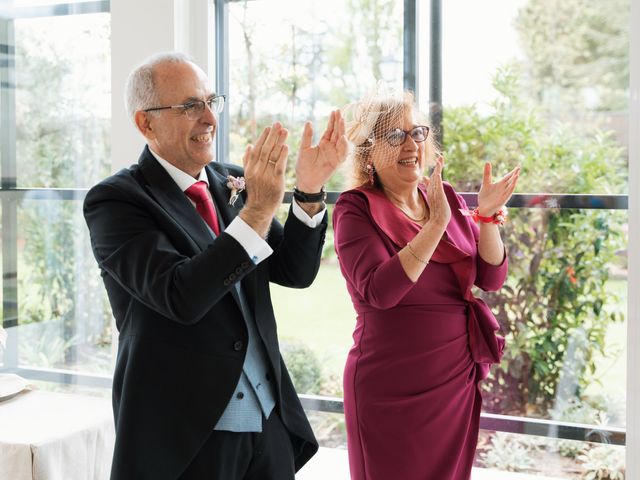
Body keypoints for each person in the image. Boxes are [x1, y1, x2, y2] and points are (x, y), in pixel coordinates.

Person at [84, 51, 347, 480]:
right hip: (187, 436)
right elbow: (180, 295)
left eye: (211, 101)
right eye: (190, 105)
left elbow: (294, 273)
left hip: (269, 422)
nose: (208, 117)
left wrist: (310, 189)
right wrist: (258, 210)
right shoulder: (115, 201)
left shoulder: (233, 182)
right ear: (145, 123)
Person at [333, 91, 520, 480]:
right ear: (368, 153)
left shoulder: (442, 195)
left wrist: (486, 217)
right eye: (394, 135)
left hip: (453, 377)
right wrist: (435, 225)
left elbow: (491, 278)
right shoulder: (355, 207)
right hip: (390, 386)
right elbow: (380, 292)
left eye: (416, 132)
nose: (411, 144)